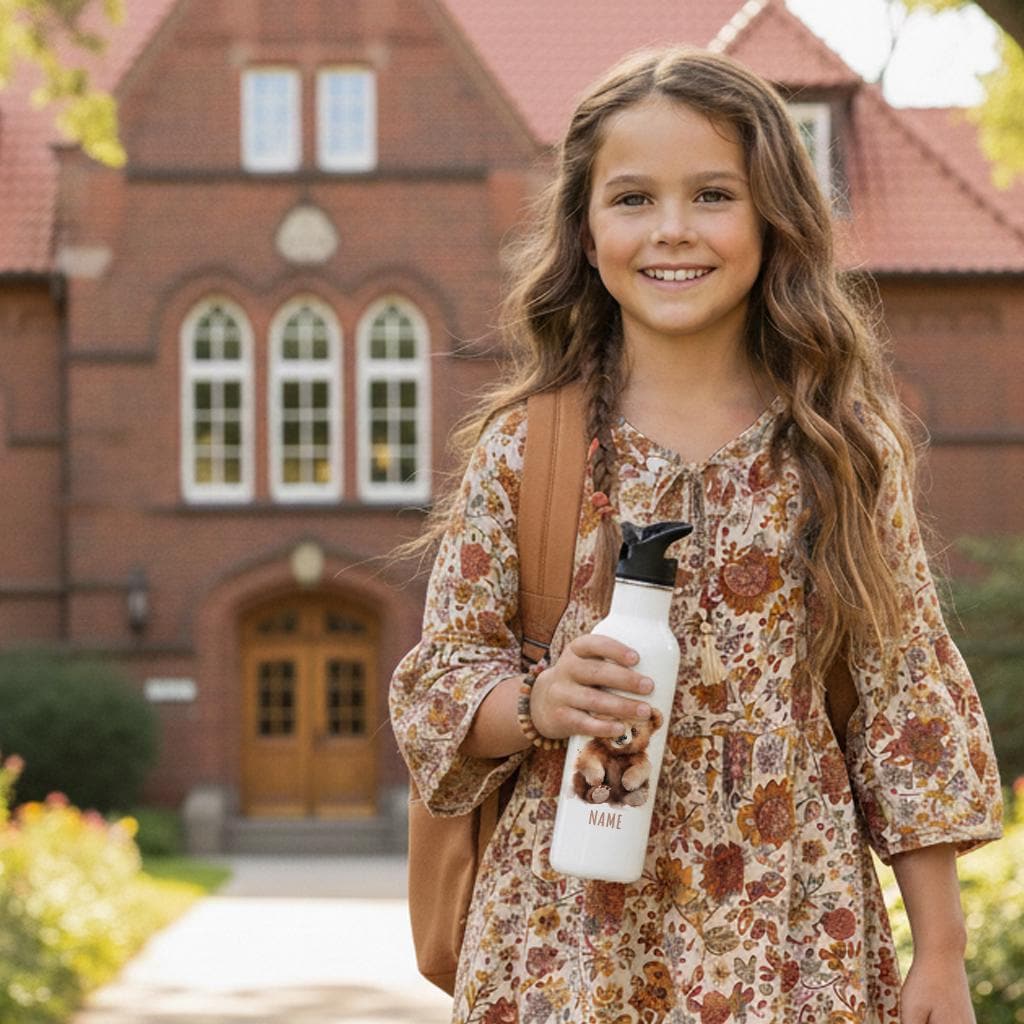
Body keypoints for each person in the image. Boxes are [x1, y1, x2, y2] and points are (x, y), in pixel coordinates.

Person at [389, 46, 1002, 1024]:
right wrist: (540, 700)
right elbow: (440, 682)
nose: (672, 230)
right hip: (565, 943)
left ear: (771, 220)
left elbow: (903, 698)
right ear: (585, 234)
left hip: (794, 931)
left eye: (713, 194)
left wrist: (941, 953)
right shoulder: (527, 449)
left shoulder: (840, 452)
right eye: (632, 199)